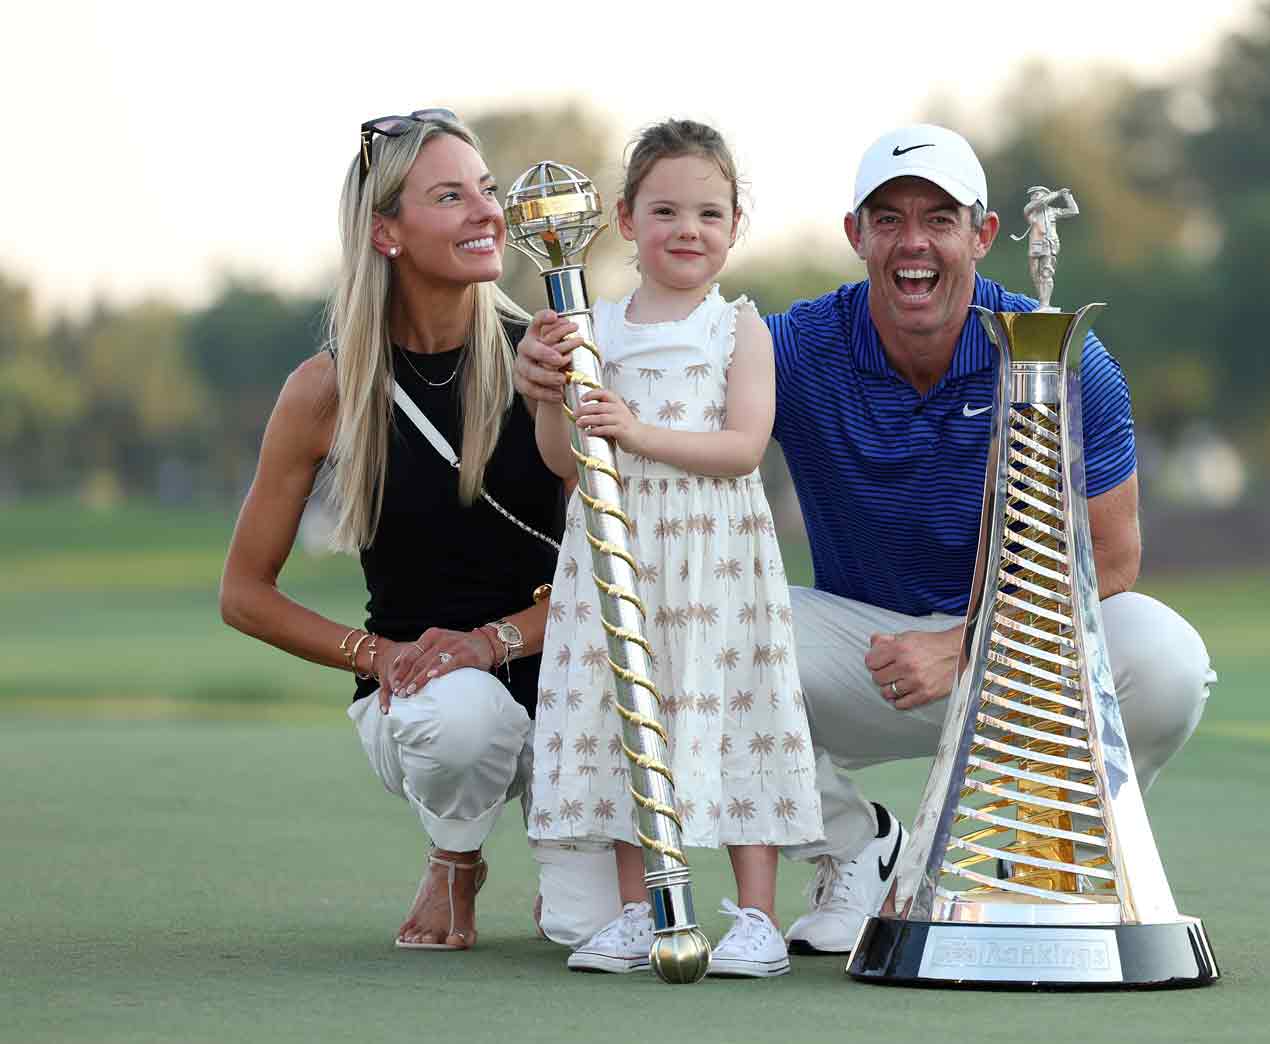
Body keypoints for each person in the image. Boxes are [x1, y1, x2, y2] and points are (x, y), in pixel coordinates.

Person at [515, 123, 1214, 957]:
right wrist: (558, 380)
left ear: (982, 236)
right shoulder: (794, 344)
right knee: (698, 635)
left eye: (939, 219)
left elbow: (1115, 561)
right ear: (856, 235)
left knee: (1164, 657)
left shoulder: (1063, 357)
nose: (912, 243)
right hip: (857, 643)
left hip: (1012, 650)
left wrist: (964, 645)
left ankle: (1044, 851)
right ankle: (860, 847)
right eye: (887, 219)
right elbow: (664, 403)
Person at [219, 108, 618, 952]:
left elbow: (622, 569)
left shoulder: (545, 354)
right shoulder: (325, 389)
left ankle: (565, 843)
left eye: (485, 190)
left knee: (586, 929)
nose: (485, 213)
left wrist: (496, 640)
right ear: (386, 232)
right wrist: (378, 656)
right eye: (449, 197)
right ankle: (456, 853)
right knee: (456, 718)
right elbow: (244, 594)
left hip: (574, 689)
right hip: (429, 700)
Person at [524, 119, 822, 979]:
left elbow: (742, 448)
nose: (687, 229)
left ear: (735, 227)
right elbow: (565, 463)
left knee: (734, 713)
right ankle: (642, 908)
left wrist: (638, 432)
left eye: (708, 212)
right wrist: (553, 391)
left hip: (715, 557)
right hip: (623, 554)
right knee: (632, 718)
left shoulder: (739, 330)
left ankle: (757, 920)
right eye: (665, 210)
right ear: (624, 220)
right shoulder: (593, 328)